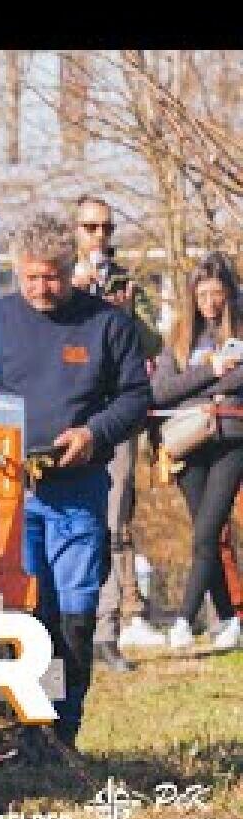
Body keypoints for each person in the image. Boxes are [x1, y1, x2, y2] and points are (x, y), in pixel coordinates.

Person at [0, 212, 151, 751]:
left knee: (75, 613)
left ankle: (63, 730)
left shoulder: (108, 324)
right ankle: (20, 732)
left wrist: (94, 433)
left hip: (77, 492)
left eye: (52, 276)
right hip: (12, 493)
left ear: (70, 267)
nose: (42, 287)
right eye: (31, 277)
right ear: (16, 271)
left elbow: (135, 398)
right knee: (25, 614)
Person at [68, 196, 164, 670]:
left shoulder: (126, 282)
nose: (100, 237)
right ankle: (67, 631)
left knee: (115, 517)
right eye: (91, 228)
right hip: (71, 418)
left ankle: (110, 629)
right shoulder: (58, 282)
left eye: (107, 227)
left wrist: (124, 314)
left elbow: (155, 344)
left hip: (118, 415)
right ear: (75, 232)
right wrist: (78, 295)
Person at [150, 252, 243, 653]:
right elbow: (159, 391)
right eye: (202, 293)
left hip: (231, 440)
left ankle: (184, 620)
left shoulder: (239, 332)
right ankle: (228, 619)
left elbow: (239, 381)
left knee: (208, 531)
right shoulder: (179, 337)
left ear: (229, 294)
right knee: (207, 536)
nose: (209, 301)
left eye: (216, 293)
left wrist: (194, 385)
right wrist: (212, 372)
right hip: (186, 441)